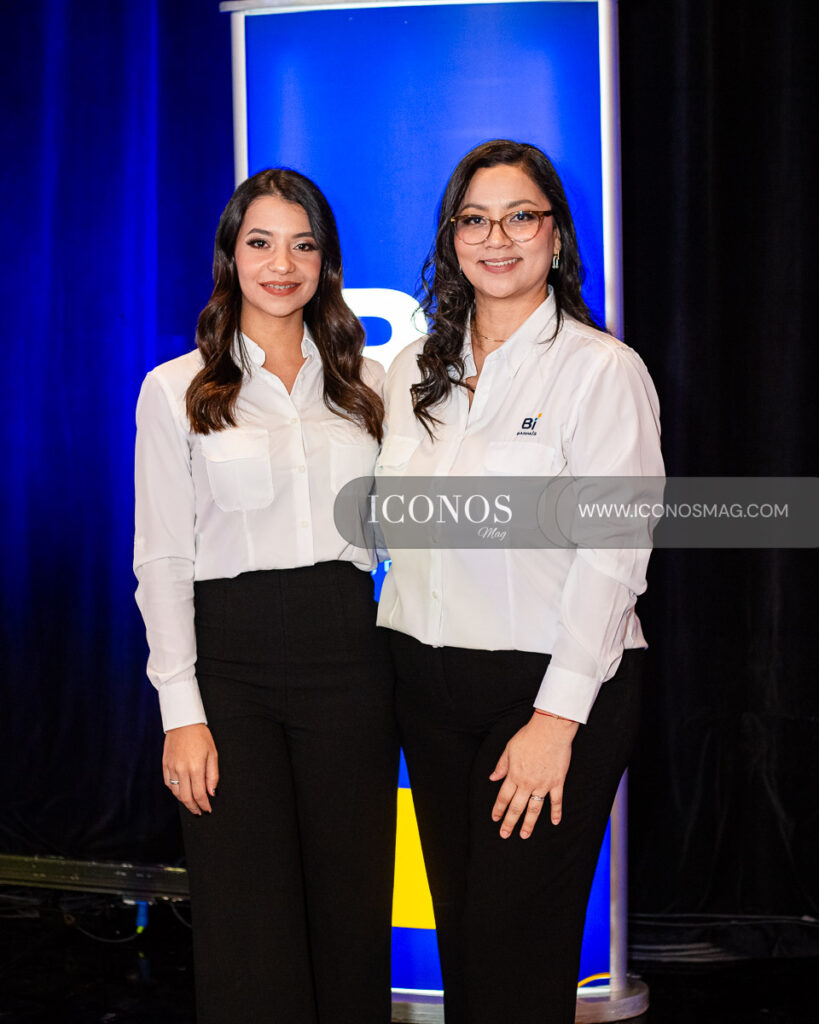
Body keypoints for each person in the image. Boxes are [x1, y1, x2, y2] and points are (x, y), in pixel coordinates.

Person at [375, 140, 663, 1024]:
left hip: (546, 688)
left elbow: (615, 553)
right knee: (464, 936)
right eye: (474, 218)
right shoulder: (410, 368)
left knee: (517, 946)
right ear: (451, 237)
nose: (496, 238)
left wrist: (554, 719)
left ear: (555, 235)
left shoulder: (599, 369)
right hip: (425, 678)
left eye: (519, 216)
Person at [134, 168, 398, 1024]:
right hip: (231, 672)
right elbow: (163, 559)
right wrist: (181, 710)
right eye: (260, 242)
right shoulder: (175, 390)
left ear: (326, 261)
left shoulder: (371, 386)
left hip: (352, 663)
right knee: (246, 916)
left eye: (303, 243)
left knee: (350, 907)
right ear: (230, 256)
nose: (281, 263)